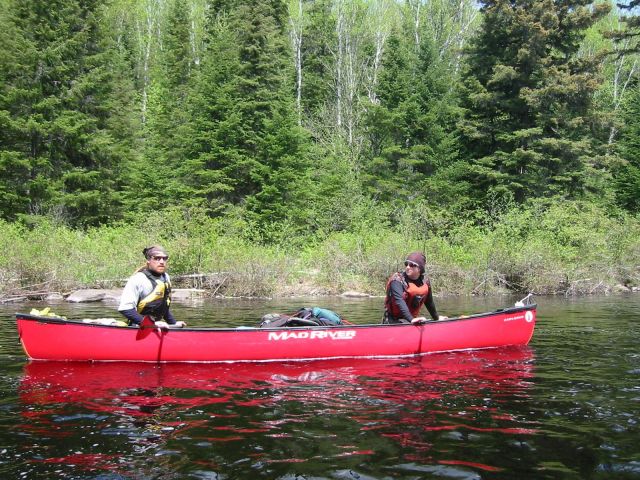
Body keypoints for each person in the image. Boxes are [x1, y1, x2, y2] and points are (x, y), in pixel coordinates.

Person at [118, 245, 186, 328]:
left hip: (156, 327)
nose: (162, 262)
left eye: (164, 258)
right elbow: (125, 309)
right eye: (157, 258)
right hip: (138, 327)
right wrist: (151, 325)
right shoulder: (138, 279)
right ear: (148, 260)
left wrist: (173, 323)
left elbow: (162, 307)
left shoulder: (166, 277)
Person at [383, 251, 447, 324]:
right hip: (392, 321)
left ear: (420, 268)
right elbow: (399, 301)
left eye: (412, 265)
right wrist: (411, 319)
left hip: (411, 320)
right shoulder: (397, 280)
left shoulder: (425, 281)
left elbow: (429, 302)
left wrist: (436, 318)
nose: (407, 267)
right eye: (406, 264)